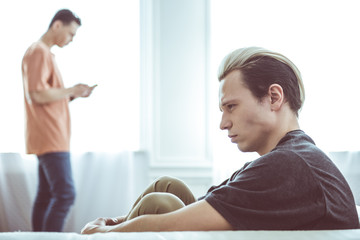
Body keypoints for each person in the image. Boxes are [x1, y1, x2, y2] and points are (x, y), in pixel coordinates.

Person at [81, 47, 359, 234]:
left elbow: (174, 221)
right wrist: (117, 220)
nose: (223, 123)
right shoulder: (290, 156)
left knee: (160, 203)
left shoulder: (290, 164)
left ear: (274, 97)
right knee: (167, 186)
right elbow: (209, 203)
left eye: (231, 107)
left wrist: (107, 233)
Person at [22, 9, 96, 232]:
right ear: (57, 26)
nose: (71, 40)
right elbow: (36, 94)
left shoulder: (43, 53)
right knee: (65, 194)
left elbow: (46, 94)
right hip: (51, 136)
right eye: (71, 34)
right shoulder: (39, 52)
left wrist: (73, 94)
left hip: (48, 136)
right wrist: (70, 89)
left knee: (46, 195)